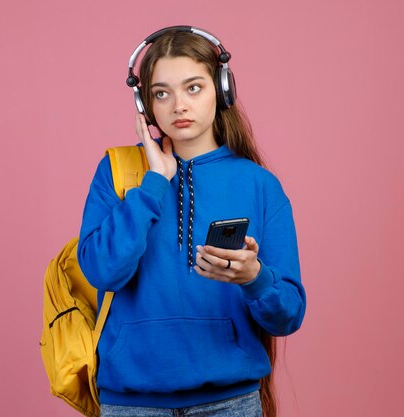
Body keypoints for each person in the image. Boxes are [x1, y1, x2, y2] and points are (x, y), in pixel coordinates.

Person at [77, 26, 306, 417]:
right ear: (145, 104)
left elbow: (288, 315)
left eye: (193, 88)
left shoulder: (259, 185)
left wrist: (254, 277)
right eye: (161, 93)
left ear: (222, 89)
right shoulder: (116, 172)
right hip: (132, 402)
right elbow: (103, 271)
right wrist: (153, 183)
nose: (178, 105)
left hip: (230, 401)